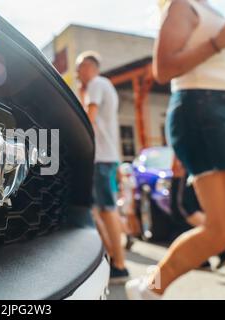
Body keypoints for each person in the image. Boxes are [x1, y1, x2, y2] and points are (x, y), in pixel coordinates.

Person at [126, 0, 225, 299]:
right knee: (219, 230)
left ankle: (149, 285)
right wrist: (220, 40)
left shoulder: (216, 10)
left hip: (221, 108)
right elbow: (164, 69)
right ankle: (150, 288)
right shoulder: (183, 5)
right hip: (201, 109)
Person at [76, 51, 129, 283]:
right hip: (106, 157)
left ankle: (119, 265)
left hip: (100, 157)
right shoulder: (105, 86)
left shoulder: (97, 84)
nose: (78, 73)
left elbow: (89, 117)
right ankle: (113, 257)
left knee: (106, 210)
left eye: (79, 68)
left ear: (89, 67)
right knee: (101, 210)